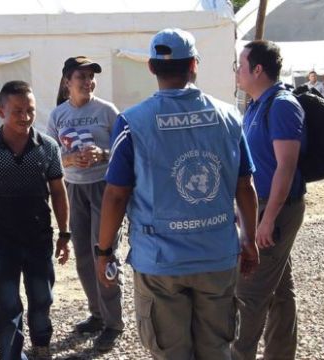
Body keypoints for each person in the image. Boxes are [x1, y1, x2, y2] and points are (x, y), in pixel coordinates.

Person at [96, 28, 259, 360]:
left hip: (160, 262)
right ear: (194, 65)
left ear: (152, 67)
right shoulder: (229, 116)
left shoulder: (133, 122)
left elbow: (116, 194)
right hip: (216, 255)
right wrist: (249, 239)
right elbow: (245, 186)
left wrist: (103, 251)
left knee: (171, 352)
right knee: (217, 349)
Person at [0, 81, 71, 360]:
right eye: (17, 110)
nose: (25, 116)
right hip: (1, 243)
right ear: (0, 111)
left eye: (30, 110)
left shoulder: (48, 148)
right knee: (7, 307)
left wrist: (64, 234)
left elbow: (58, 191)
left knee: (42, 300)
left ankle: (42, 347)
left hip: (39, 240)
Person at [232, 40, 307, 360]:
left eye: (241, 65)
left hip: (277, 207)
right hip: (261, 205)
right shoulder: (256, 104)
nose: (237, 71)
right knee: (279, 290)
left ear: (258, 70)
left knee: (248, 293)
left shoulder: (282, 105)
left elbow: (286, 167)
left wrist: (268, 219)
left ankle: (239, 354)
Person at [46, 56, 124, 351]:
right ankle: (97, 314)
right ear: (68, 81)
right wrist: (68, 159)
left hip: (104, 188)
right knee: (82, 256)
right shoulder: (58, 115)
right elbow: (51, 156)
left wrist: (102, 154)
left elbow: (123, 151)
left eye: (92, 77)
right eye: (82, 77)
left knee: (104, 252)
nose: (89, 82)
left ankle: (114, 322)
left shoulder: (107, 111)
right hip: (73, 188)